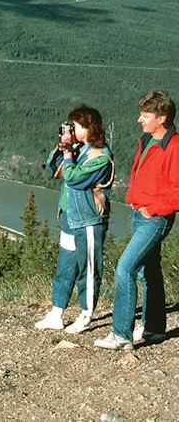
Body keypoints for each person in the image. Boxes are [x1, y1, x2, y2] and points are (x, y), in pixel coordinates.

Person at [95, 90, 179, 350]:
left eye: (145, 115)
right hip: (140, 213)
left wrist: (151, 209)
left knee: (125, 268)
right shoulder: (147, 141)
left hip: (153, 218)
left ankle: (121, 335)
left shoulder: (174, 148)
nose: (139, 120)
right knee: (147, 270)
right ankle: (154, 329)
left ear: (162, 117)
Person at [36, 105, 114, 333]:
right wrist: (62, 148)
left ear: (90, 129)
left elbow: (73, 179)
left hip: (89, 220)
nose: (73, 130)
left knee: (88, 270)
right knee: (65, 267)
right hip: (70, 217)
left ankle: (86, 314)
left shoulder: (100, 157)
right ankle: (57, 312)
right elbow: (53, 168)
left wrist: (70, 153)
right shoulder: (78, 149)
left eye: (77, 126)